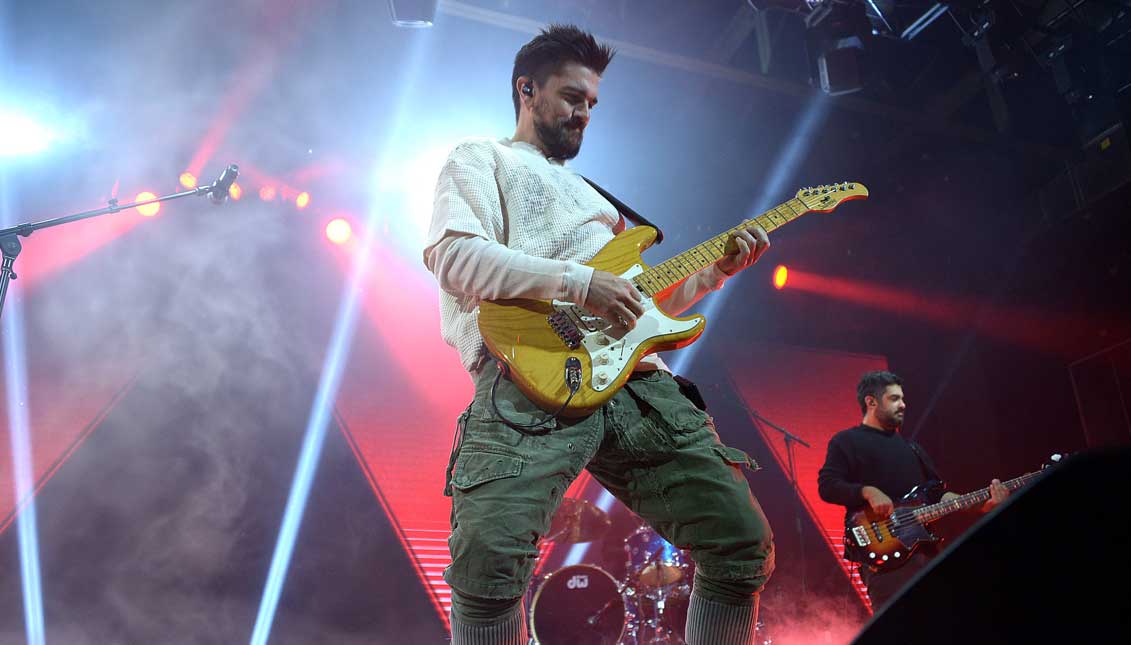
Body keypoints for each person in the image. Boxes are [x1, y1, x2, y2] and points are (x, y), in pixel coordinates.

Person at [423, 24, 775, 645]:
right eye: (571, 97)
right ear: (526, 91)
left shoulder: (598, 198)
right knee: (488, 569)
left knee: (741, 543)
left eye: (591, 103)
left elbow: (640, 306)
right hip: (529, 379)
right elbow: (454, 258)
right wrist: (579, 283)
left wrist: (716, 271)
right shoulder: (481, 159)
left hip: (637, 387)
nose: (584, 113)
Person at [817, 370, 1009, 611]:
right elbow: (828, 486)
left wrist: (981, 505)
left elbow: (937, 494)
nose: (903, 405)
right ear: (871, 402)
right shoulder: (847, 441)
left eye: (903, 399)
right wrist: (867, 491)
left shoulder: (913, 448)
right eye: (895, 398)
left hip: (928, 553)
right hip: (887, 561)